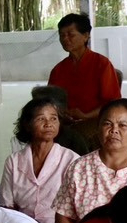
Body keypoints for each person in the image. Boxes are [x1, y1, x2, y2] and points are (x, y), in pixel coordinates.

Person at [0, 97, 78, 223]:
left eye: (53, 119)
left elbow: (76, 208)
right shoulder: (14, 161)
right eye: (41, 119)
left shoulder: (71, 160)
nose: (48, 124)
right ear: (27, 125)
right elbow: (7, 206)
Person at [47, 13, 122, 152]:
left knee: (73, 138)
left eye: (71, 35)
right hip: (65, 122)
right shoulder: (58, 70)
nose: (65, 39)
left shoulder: (102, 64)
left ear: (86, 36)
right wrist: (62, 115)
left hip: (95, 120)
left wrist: (85, 116)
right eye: (62, 35)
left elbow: (113, 103)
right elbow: (50, 103)